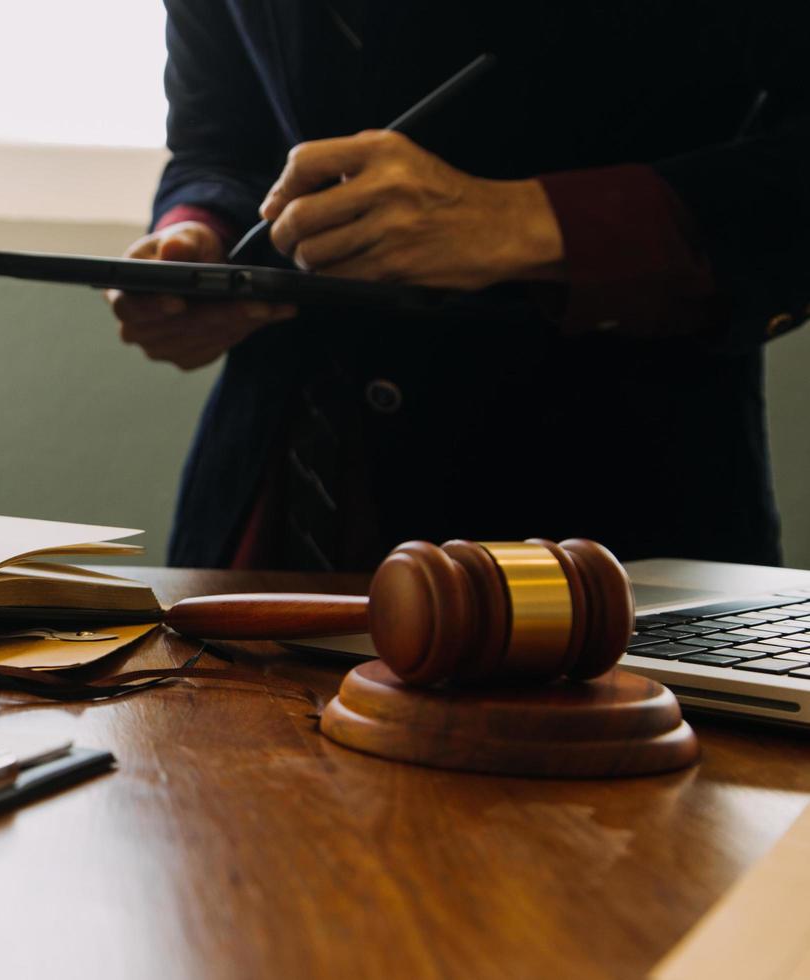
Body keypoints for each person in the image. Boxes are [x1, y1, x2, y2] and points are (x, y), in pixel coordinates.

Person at [112, 1, 810, 571]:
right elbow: (220, 138)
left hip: (609, 537)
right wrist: (199, 234)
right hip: (272, 517)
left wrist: (532, 223)